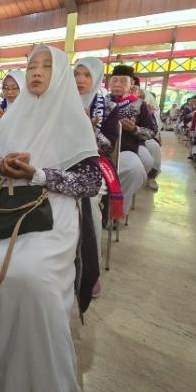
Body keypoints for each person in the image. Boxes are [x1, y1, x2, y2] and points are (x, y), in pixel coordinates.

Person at [0, 44, 100, 392]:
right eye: (32, 65)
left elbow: (90, 181)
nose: (36, 72)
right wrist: (1, 166)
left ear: (60, 74)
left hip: (53, 206)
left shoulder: (73, 118)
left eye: (47, 66)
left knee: (31, 278)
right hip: (1, 200)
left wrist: (38, 174)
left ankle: (30, 374)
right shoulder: (13, 115)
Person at [75, 57, 121, 297]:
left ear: (97, 79)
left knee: (89, 201)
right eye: (76, 74)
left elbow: (106, 146)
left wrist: (89, 127)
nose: (80, 80)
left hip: (94, 162)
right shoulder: (60, 101)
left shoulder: (109, 108)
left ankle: (89, 268)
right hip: (61, 160)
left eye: (86, 75)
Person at [107, 65, 157, 215]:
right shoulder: (99, 102)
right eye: (114, 80)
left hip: (126, 148)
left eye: (123, 81)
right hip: (101, 150)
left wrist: (134, 129)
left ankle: (116, 212)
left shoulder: (139, 105)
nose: (117, 84)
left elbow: (151, 132)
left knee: (136, 169)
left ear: (131, 85)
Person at [137, 89, 162, 190]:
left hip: (145, 138)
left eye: (142, 97)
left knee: (154, 147)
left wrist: (149, 114)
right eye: (138, 97)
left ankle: (151, 177)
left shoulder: (152, 110)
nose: (139, 99)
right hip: (129, 137)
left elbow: (154, 130)